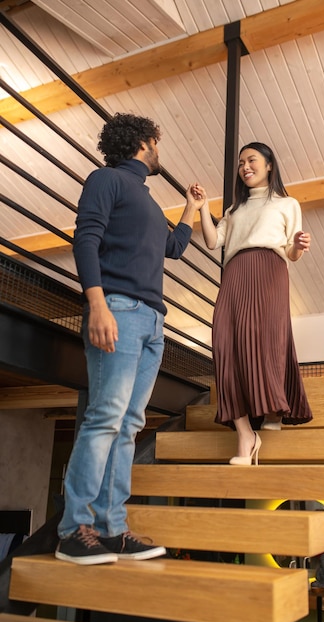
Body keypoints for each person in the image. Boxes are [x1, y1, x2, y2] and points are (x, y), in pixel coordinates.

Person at [56, 113, 206, 565]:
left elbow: (173, 249)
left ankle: (112, 530)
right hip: (117, 310)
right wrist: (97, 305)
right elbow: (85, 240)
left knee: (127, 427)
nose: (160, 150)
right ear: (145, 142)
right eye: (157, 142)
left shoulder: (146, 202)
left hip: (153, 322)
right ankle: (72, 530)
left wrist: (191, 210)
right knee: (105, 419)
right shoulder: (106, 180)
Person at [199, 141, 313, 465]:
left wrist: (301, 246)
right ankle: (246, 432)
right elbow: (212, 241)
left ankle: (274, 407)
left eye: (251, 160)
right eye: (241, 163)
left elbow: (292, 251)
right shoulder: (234, 211)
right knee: (223, 343)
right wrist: (202, 206)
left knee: (266, 342)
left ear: (269, 166)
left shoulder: (287, 204)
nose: (245, 167)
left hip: (270, 270)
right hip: (235, 272)